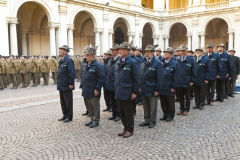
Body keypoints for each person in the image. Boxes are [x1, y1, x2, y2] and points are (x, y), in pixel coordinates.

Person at [115, 41, 140, 138]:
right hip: (119, 90)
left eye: (121, 49)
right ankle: (125, 128)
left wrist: (135, 92)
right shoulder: (118, 61)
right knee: (122, 112)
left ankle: (130, 129)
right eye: (119, 49)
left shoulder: (133, 62)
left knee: (128, 112)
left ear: (127, 51)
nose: (119, 51)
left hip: (128, 91)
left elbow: (137, 78)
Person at [80, 46, 105, 128]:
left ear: (93, 56)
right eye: (86, 54)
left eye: (88, 55)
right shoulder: (86, 64)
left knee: (95, 106)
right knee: (89, 106)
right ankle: (92, 118)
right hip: (86, 89)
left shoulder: (98, 66)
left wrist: (97, 88)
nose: (86, 56)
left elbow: (101, 78)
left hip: (94, 90)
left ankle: (96, 120)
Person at [139, 45, 162, 128]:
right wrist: (140, 86)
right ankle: (147, 119)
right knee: (145, 106)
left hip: (152, 89)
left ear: (153, 53)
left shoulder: (157, 63)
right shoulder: (144, 61)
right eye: (145, 52)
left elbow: (159, 78)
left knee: (153, 107)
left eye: (148, 52)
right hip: (144, 88)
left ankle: (152, 121)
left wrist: (157, 89)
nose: (146, 53)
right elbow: (141, 75)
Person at [160, 47, 180, 122]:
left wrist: (174, 87)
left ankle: (170, 115)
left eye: (167, 52)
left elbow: (177, 76)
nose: (165, 53)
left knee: (170, 103)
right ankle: (165, 114)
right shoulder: (161, 63)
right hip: (162, 86)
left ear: (171, 55)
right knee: (163, 102)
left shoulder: (175, 64)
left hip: (170, 87)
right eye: (164, 52)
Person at [57, 45, 75, 123]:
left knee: (68, 101)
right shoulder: (61, 60)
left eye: (61, 50)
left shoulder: (69, 60)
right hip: (61, 84)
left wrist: (71, 83)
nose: (59, 51)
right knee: (63, 101)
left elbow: (72, 72)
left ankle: (69, 116)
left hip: (67, 84)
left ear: (65, 52)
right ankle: (65, 114)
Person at [177, 44, 195, 116]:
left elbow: (193, 71)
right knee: (180, 96)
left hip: (187, 81)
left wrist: (192, 80)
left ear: (186, 51)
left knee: (187, 96)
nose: (182, 52)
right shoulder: (178, 59)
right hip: (180, 81)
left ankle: (186, 109)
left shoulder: (191, 59)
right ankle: (181, 108)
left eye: (184, 50)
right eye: (181, 51)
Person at [106, 43, 121, 122]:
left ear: (117, 51)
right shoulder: (110, 60)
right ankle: (114, 114)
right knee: (112, 100)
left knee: (117, 101)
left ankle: (118, 114)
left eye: (113, 50)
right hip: (110, 83)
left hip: (116, 84)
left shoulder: (119, 59)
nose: (111, 51)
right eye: (111, 50)